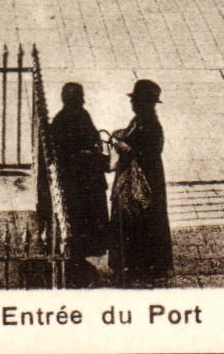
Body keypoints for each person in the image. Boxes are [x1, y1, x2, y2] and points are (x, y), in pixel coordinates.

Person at [107, 79, 172, 287]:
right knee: (134, 219)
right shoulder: (140, 120)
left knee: (140, 218)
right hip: (137, 177)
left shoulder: (151, 125)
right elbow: (131, 137)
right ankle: (133, 263)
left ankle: (142, 265)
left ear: (147, 103)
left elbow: (145, 153)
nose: (133, 104)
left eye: (137, 101)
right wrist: (121, 136)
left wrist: (124, 147)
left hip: (144, 180)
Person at [48, 83, 111, 280]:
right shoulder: (63, 121)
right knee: (81, 222)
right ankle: (77, 261)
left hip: (86, 180)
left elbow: (91, 138)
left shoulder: (77, 115)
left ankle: (79, 259)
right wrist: (88, 154)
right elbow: (65, 153)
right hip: (78, 183)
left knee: (86, 222)